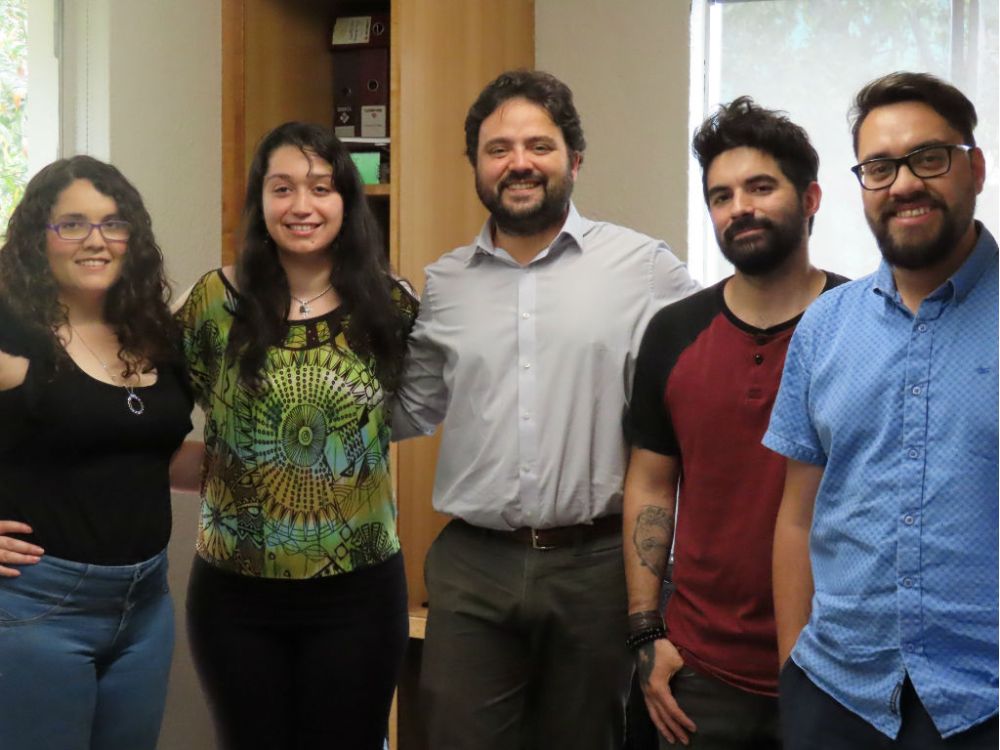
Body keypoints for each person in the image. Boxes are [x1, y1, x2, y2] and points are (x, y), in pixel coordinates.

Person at [392, 69, 699, 750]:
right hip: (473, 567)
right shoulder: (444, 285)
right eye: (498, 148)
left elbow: (718, 358)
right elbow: (407, 410)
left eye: (539, 145)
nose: (519, 163)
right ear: (474, 164)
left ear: (574, 160)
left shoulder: (642, 267)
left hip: (594, 566)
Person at [765, 72, 998, 749]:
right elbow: (797, 518)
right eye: (879, 167)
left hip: (984, 702)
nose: (903, 184)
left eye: (929, 158)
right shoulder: (823, 328)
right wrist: (792, 674)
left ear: (973, 167)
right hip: (836, 695)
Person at [172, 121, 416, 750]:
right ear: (259, 202)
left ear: (346, 202)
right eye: (282, 189)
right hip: (235, 598)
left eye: (321, 188)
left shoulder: (391, 305)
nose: (301, 206)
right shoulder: (213, 303)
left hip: (359, 594)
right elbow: (140, 414)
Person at [624, 97, 847, 749]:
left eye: (760, 187)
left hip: (837, 671)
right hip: (698, 679)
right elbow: (649, 483)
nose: (739, 207)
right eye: (721, 195)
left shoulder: (863, 323)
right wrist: (646, 632)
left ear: (810, 198)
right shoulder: (674, 332)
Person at [0, 156, 194, 749]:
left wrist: (253, 470)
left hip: (145, 606)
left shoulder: (155, 334)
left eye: (113, 224)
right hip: (37, 608)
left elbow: (149, 457)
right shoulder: (12, 338)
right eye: (73, 224)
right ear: (39, 237)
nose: (96, 241)